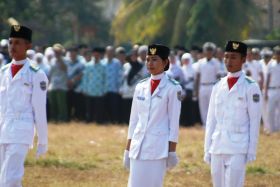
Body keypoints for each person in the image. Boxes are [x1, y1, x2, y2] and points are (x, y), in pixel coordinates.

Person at [204, 41, 262, 187]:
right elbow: (211, 120)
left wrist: (251, 150)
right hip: (218, 144)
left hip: (238, 145)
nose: (229, 61)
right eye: (226, 57)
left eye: (234, 57)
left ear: (243, 59)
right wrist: (207, 148)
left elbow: (255, 121)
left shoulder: (251, 86)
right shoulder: (218, 85)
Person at [123, 44, 182, 187]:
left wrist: (172, 150)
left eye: (155, 60)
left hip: (158, 148)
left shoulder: (173, 88)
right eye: (148, 59)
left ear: (165, 62)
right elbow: (134, 120)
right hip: (138, 146)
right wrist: (127, 148)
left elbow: (174, 123)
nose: (150, 63)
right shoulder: (140, 87)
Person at [0, 25, 48, 186]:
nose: (13, 47)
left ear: (28, 45)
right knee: (3, 178)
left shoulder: (36, 74)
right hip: (3, 127)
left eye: (18, 43)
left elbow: (40, 110)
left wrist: (42, 140)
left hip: (22, 128)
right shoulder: (3, 71)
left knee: (11, 178)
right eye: (11, 42)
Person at [194, 42, 220, 127]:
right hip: (202, 86)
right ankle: (205, 124)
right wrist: (196, 90)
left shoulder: (216, 62)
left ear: (213, 52)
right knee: (203, 106)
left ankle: (212, 124)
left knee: (212, 106)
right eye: (207, 50)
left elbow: (218, 76)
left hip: (212, 86)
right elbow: (197, 77)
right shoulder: (200, 62)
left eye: (210, 51)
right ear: (204, 52)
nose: (209, 52)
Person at [48, 43, 68, 122]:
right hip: (53, 85)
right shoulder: (52, 60)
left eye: (58, 52)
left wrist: (60, 60)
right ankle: (54, 118)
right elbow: (50, 73)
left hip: (62, 85)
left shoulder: (65, 60)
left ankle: (62, 118)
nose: (56, 53)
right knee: (53, 103)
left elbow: (65, 69)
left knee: (61, 104)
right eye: (55, 52)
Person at [264, 46, 280, 133]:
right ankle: (271, 128)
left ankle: (278, 129)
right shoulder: (271, 64)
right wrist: (266, 92)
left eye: (279, 53)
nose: (278, 55)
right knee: (270, 110)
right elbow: (267, 78)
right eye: (277, 53)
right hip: (272, 90)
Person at [180, 53, 195, 126]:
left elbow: (194, 81)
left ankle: (190, 123)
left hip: (190, 90)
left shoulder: (193, 69)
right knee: (182, 107)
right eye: (184, 60)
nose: (185, 61)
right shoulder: (181, 69)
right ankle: (183, 122)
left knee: (190, 107)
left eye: (187, 60)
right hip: (182, 90)